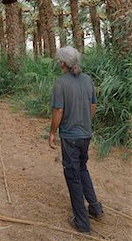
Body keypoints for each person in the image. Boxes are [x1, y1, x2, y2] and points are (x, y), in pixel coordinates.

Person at [49, 46, 103, 234]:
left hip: (70, 138)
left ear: (62, 63)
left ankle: (81, 222)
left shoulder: (60, 83)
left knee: (73, 176)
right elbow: (93, 105)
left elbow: (58, 111)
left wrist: (52, 133)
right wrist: (86, 123)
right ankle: (95, 208)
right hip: (85, 135)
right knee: (82, 168)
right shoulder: (88, 80)